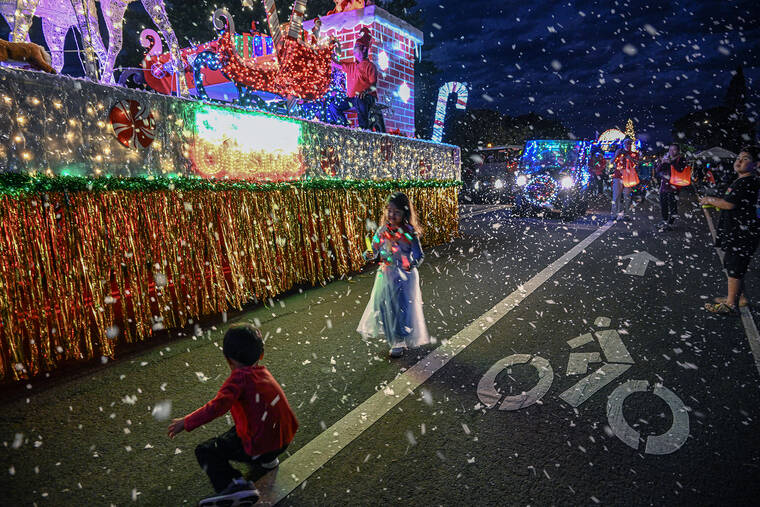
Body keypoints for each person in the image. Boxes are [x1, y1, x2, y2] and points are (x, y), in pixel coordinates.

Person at [167, 324, 298, 506]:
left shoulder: (239, 379)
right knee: (242, 427)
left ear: (228, 359)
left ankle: (235, 486)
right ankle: (268, 459)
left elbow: (217, 407)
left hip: (261, 446)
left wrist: (186, 422)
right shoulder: (263, 373)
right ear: (261, 354)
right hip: (284, 439)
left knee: (206, 451)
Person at [358, 192, 429, 357]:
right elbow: (374, 250)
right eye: (389, 211)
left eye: (396, 212)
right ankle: (394, 338)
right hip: (385, 274)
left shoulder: (409, 232)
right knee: (383, 307)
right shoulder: (382, 231)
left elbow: (419, 255)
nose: (392, 215)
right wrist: (368, 254)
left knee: (400, 309)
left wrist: (412, 264)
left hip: (404, 276)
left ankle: (399, 340)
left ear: (405, 213)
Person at [700, 146, 760, 314]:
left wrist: (709, 199)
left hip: (742, 233)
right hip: (741, 231)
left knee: (734, 267)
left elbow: (729, 203)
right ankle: (737, 298)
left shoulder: (747, 182)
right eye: (738, 158)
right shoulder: (744, 181)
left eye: (746, 158)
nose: (739, 161)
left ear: (756, 165)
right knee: (735, 266)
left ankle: (730, 304)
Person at [328, 27, 378, 130]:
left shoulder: (370, 66)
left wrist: (365, 92)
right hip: (352, 99)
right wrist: (330, 51)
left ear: (364, 49)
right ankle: (345, 128)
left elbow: (373, 87)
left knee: (360, 101)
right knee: (333, 105)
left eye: (356, 46)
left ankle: (363, 131)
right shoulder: (352, 66)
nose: (354, 49)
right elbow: (336, 64)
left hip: (366, 98)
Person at [655, 143, 688, 231]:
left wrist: (671, 163)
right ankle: (664, 221)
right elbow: (658, 170)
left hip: (674, 186)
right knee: (663, 204)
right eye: (670, 150)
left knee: (673, 205)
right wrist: (662, 162)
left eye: (674, 150)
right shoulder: (667, 158)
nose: (671, 152)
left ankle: (670, 224)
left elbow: (680, 169)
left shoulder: (681, 159)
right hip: (664, 186)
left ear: (678, 151)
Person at [610, 138, 640, 219]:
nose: (628, 145)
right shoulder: (619, 152)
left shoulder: (634, 154)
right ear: (623, 144)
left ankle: (626, 214)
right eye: (626, 143)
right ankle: (614, 214)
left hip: (628, 177)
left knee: (627, 196)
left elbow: (637, 164)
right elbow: (611, 162)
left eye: (629, 143)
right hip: (618, 176)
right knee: (616, 196)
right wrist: (616, 155)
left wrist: (630, 159)